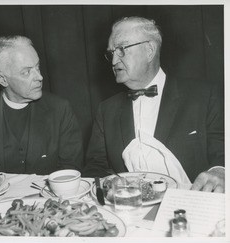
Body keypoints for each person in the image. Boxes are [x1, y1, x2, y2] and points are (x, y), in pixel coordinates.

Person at [82, 17, 224, 193]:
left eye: (121, 50)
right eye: (111, 53)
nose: (113, 61)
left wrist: (220, 171)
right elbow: (95, 167)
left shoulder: (204, 96)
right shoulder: (106, 110)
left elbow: (222, 150)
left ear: (149, 50)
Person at [0, 35, 83, 175]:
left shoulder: (60, 109)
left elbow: (71, 170)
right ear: (2, 79)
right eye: (26, 72)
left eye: (38, 67)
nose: (39, 77)